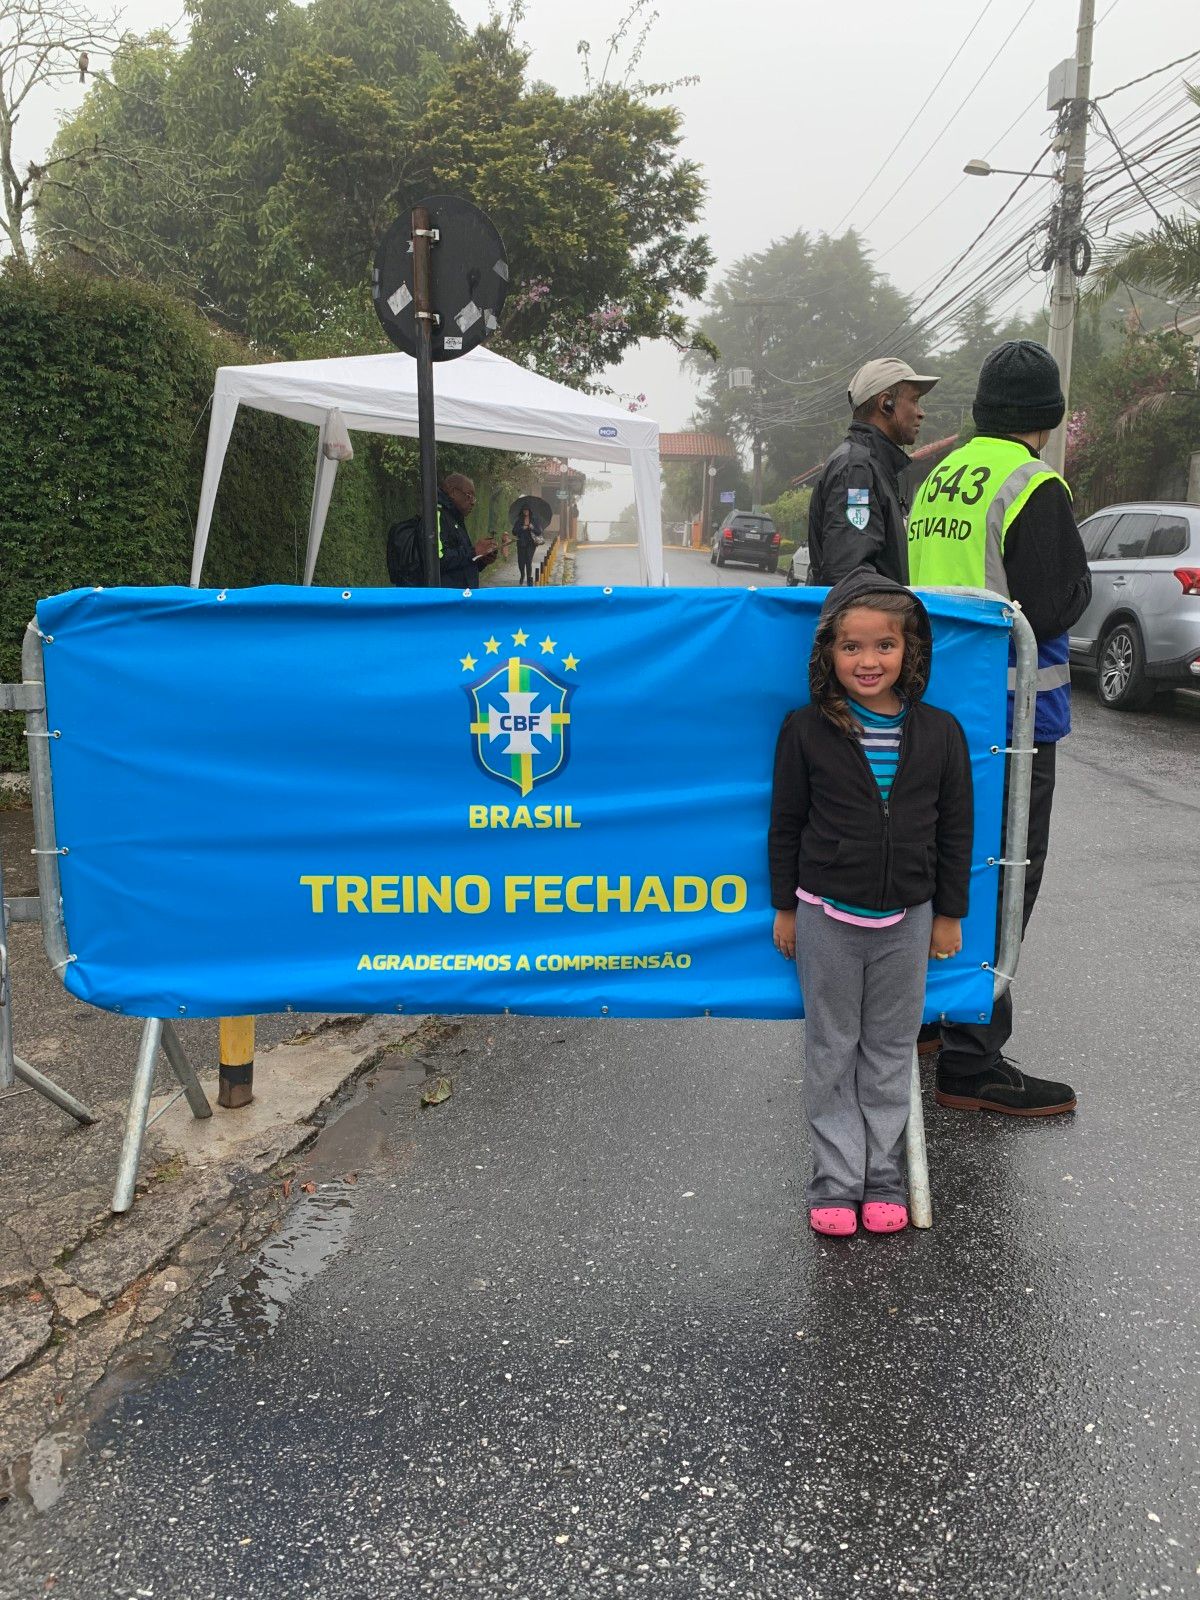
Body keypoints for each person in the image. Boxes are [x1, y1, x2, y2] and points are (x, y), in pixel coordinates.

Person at [907, 339, 1092, 1116]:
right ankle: (974, 1060)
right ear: (1045, 420)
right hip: (1012, 717)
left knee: (945, 864)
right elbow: (1049, 609)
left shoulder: (937, 477)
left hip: (936, 707)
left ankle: (927, 1014)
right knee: (1008, 877)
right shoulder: (1034, 484)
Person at [769, 568, 974, 1238]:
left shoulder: (941, 733)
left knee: (889, 1049)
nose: (867, 661)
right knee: (833, 1049)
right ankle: (834, 1180)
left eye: (884, 646)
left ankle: (882, 1176)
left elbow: (956, 827)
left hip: (909, 920)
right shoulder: (803, 730)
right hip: (826, 915)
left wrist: (948, 913)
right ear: (828, 653)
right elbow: (786, 823)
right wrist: (786, 907)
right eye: (851, 647)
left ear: (909, 652)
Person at [807, 358, 940, 587]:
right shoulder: (856, 472)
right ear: (886, 403)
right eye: (915, 401)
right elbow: (851, 579)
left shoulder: (871, 467)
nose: (921, 413)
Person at [438, 474, 498, 588]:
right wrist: (474, 551)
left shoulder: (456, 519)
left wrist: (481, 560)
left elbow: (462, 563)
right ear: (453, 492)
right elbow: (438, 560)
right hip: (449, 599)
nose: (473, 502)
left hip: (463, 597)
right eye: (469, 495)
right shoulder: (438, 516)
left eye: (474, 498)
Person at [513, 505, 542, 586]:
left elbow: (539, 532)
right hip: (521, 543)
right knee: (521, 562)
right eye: (524, 510)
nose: (525, 511)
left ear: (529, 511)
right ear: (522, 511)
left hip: (531, 544)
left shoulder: (534, 520)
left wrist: (532, 528)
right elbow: (514, 531)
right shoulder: (519, 520)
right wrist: (522, 528)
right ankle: (522, 575)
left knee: (528, 561)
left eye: (527, 510)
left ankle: (529, 579)